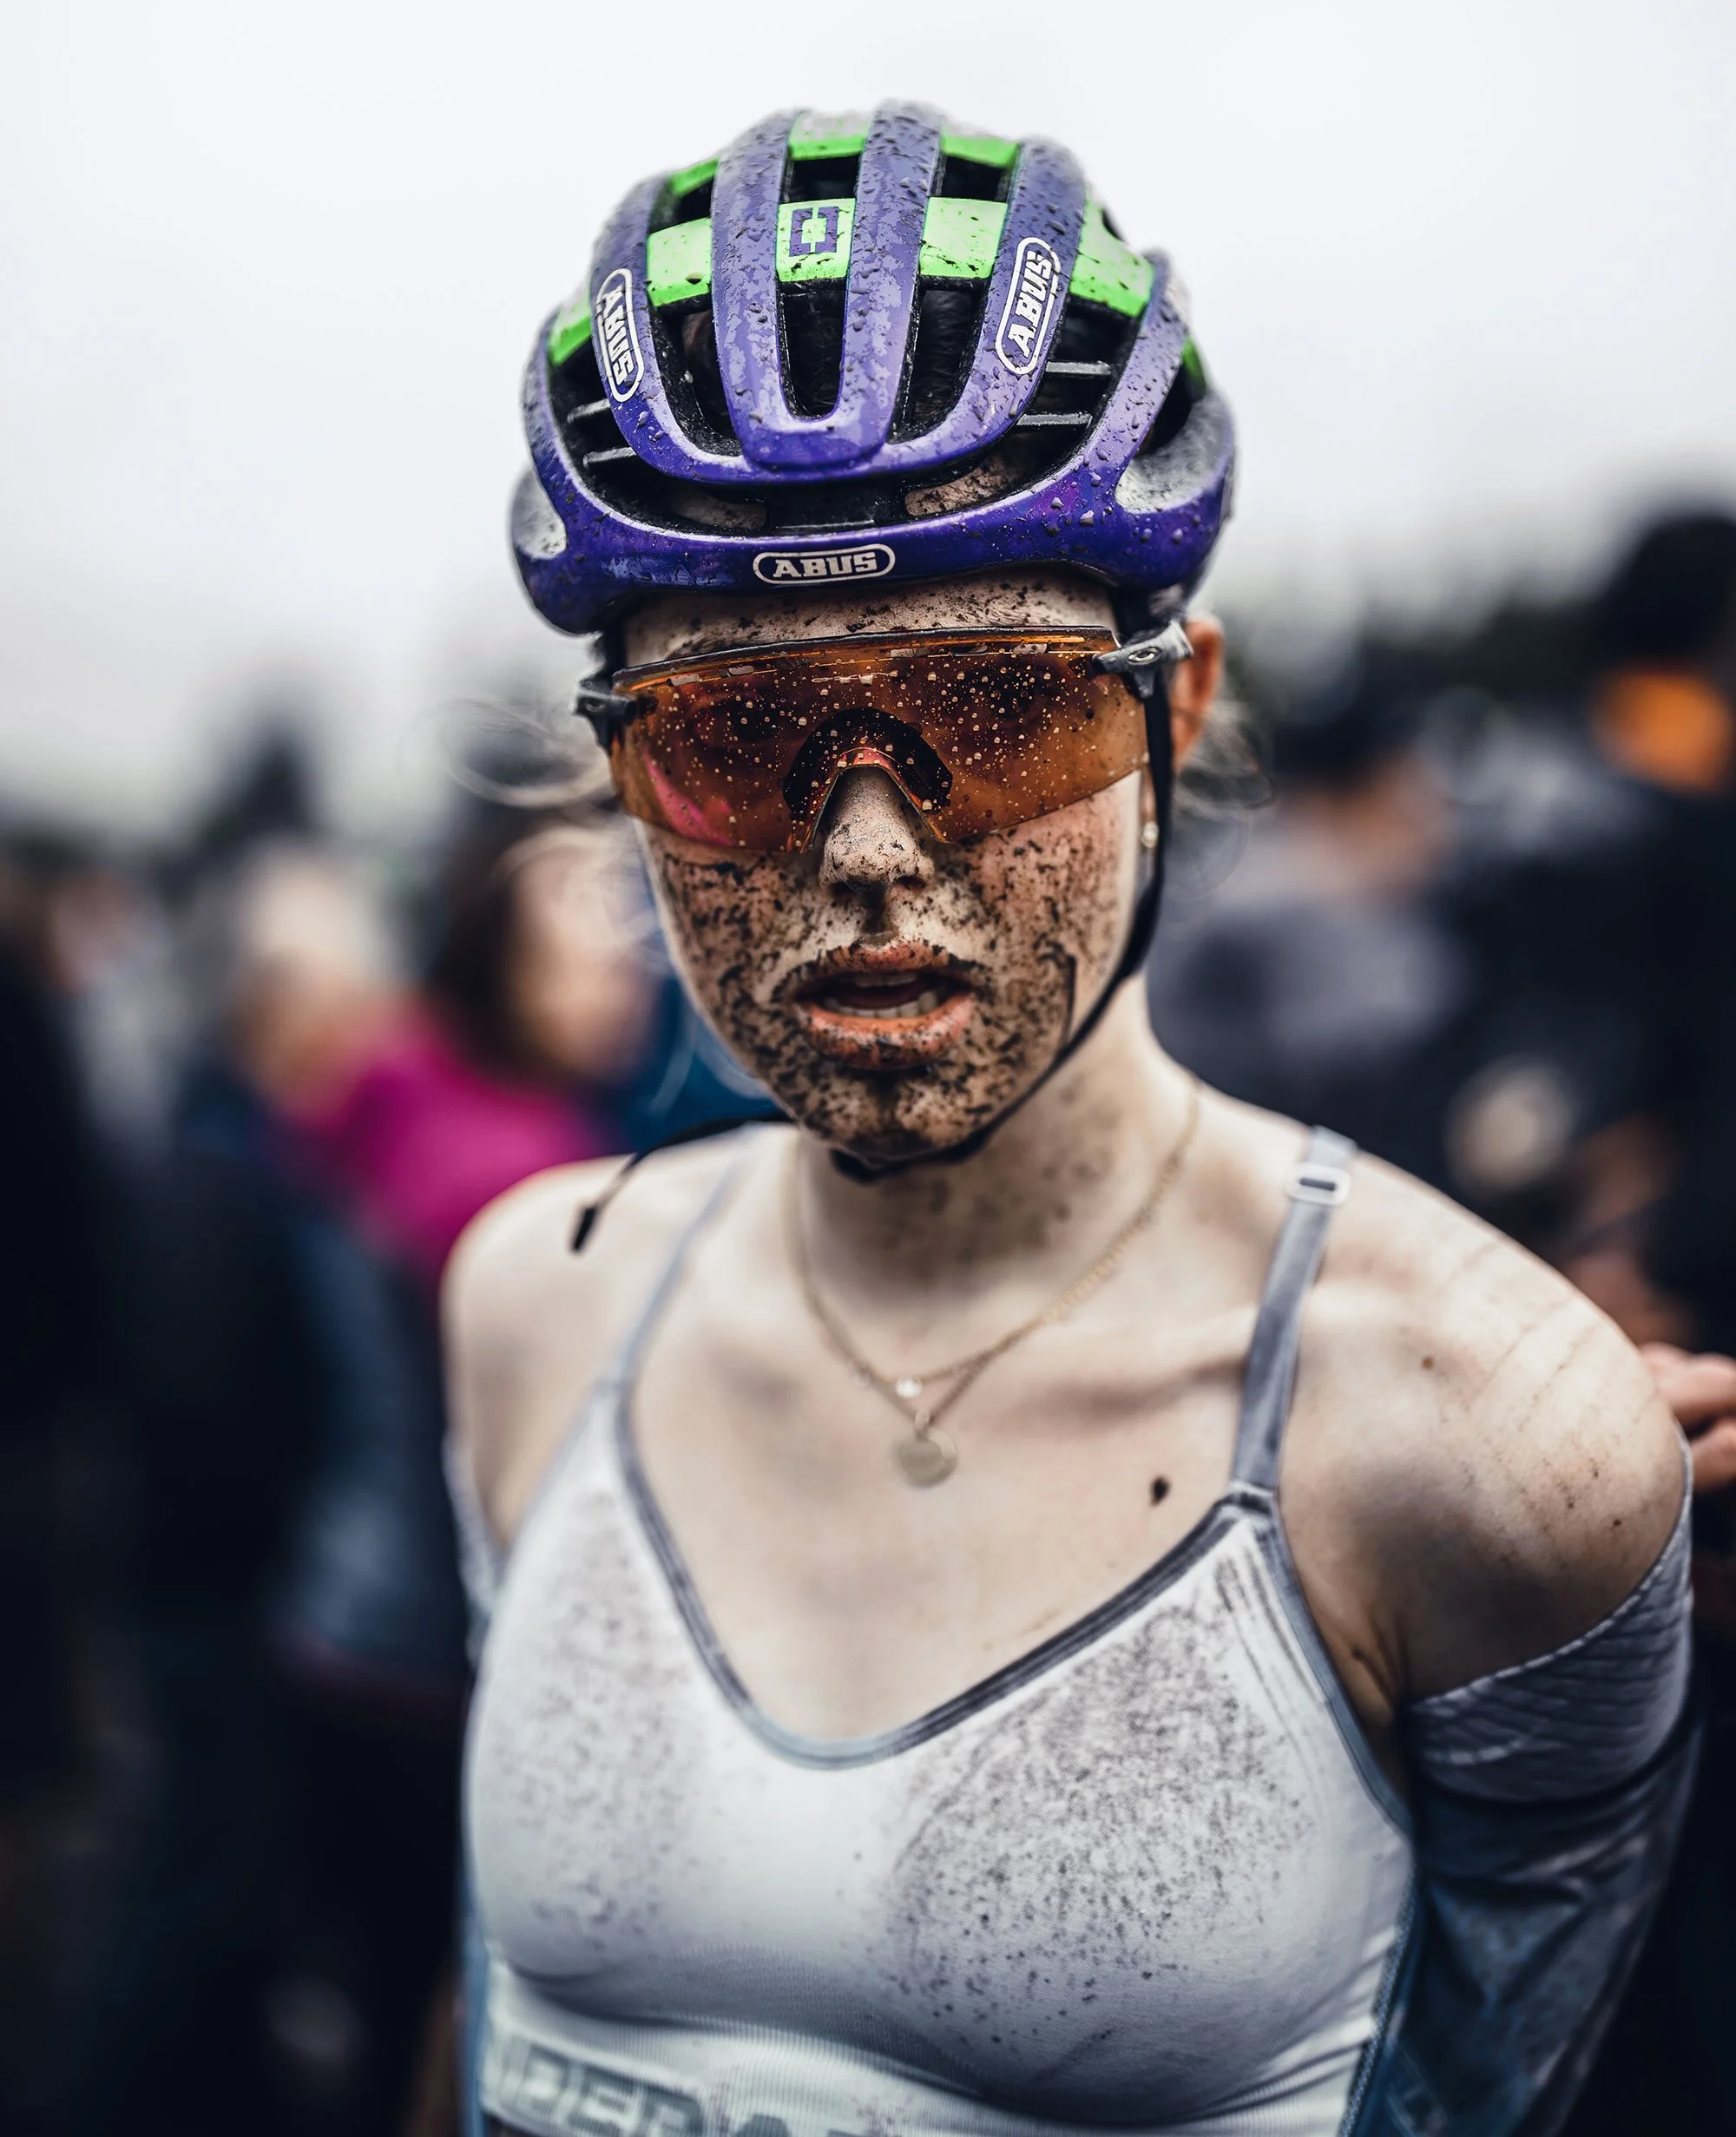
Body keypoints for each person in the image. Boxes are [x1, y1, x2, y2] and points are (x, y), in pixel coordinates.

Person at [445, 105, 1707, 2137]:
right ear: (619, 782)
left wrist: (1585, 1520)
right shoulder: (528, 1299)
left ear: (1175, 707)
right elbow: (488, 2011)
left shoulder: (1472, 1435)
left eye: (993, 712)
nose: (866, 851)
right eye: (737, 741)